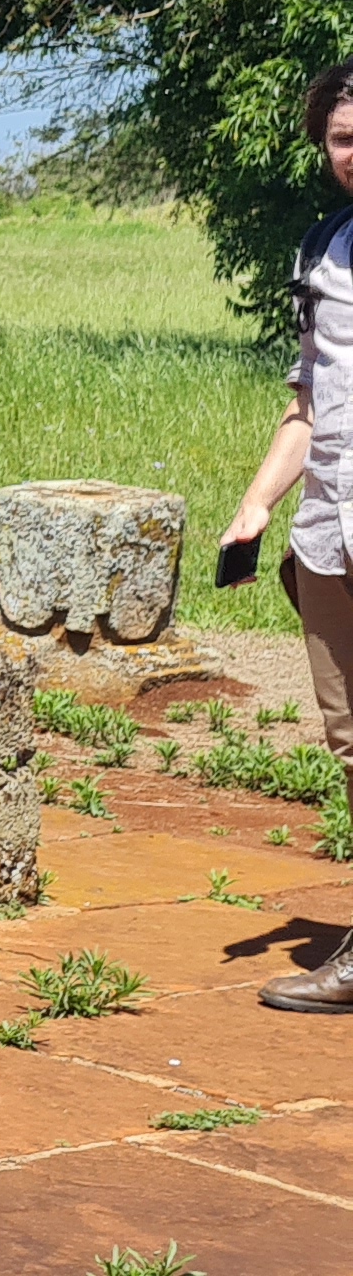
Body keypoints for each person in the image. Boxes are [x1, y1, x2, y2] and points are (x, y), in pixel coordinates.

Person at [223, 60, 353, 1014]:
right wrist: (258, 504)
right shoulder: (323, 251)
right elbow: (307, 406)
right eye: (344, 139)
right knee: (351, 741)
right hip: (328, 533)